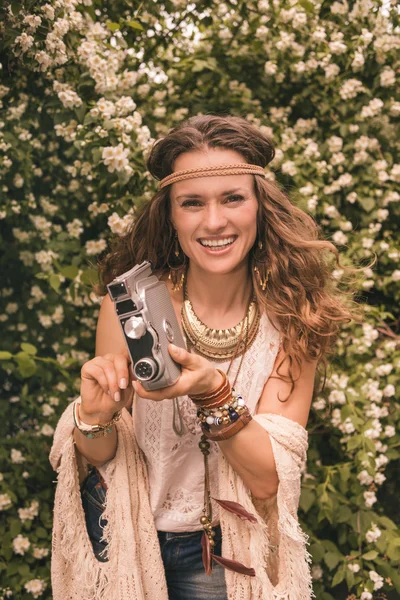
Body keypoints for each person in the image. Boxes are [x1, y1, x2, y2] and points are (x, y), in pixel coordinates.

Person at [50, 114, 354, 600]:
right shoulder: (126, 307)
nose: (214, 222)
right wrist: (94, 418)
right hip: (129, 540)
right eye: (192, 203)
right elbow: (103, 456)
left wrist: (213, 392)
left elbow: (267, 478)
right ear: (171, 215)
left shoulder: (294, 317)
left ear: (260, 206)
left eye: (232, 198)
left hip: (223, 558)